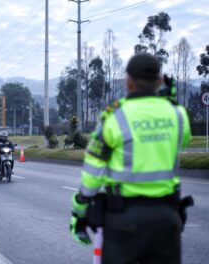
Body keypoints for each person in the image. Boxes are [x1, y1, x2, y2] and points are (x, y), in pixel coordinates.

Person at [69, 53, 193, 264]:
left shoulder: (115, 117)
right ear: (160, 81)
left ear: (128, 82)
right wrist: (168, 101)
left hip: (124, 222)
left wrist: (80, 208)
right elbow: (183, 140)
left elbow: (93, 171)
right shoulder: (177, 114)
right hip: (167, 219)